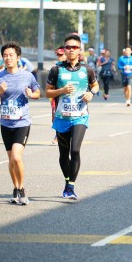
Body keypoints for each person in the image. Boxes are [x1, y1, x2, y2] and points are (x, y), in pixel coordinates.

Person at [45, 33, 99, 200]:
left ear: (79, 50)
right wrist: (61, 91)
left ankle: (70, 186)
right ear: (64, 50)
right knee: (64, 154)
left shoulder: (86, 69)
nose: (71, 50)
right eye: (67, 47)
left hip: (80, 116)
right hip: (62, 118)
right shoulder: (56, 70)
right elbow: (47, 93)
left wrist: (91, 93)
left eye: (74, 47)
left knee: (75, 150)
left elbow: (95, 85)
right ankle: (67, 179)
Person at [0, 42, 40, 205]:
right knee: (10, 159)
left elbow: (38, 93)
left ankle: (22, 189)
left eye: (11, 55)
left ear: (18, 57)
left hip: (22, 123)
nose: (8, 58)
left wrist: (31, 94)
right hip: (5, 124)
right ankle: (16, 188)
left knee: (17, 157)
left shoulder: (27, 76)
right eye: (5, 56)